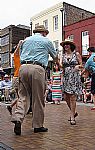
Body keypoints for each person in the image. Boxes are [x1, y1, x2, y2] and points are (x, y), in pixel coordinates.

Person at [11, 25, 59, 135]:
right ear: (44, 33)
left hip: (23, 68)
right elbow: (55, 57)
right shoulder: (46, 41)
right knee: (38, 98)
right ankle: (38, 126)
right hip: (38, 68)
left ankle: (18, 118)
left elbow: (19, 54)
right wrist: (58, 63)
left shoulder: (26, 40)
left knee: (23, 96)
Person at [60, 39, 83, 125]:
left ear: (71, 46)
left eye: (67, 44)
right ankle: (74, 112)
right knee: (66, 97)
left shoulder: (76, 54)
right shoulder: (62, 56)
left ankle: (72, 117)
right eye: (64, 44)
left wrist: (78, 66)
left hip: (74, 77)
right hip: (66, 78)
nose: (66, 46)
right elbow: (61, 66)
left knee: (73, 97)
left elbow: (81, 65)